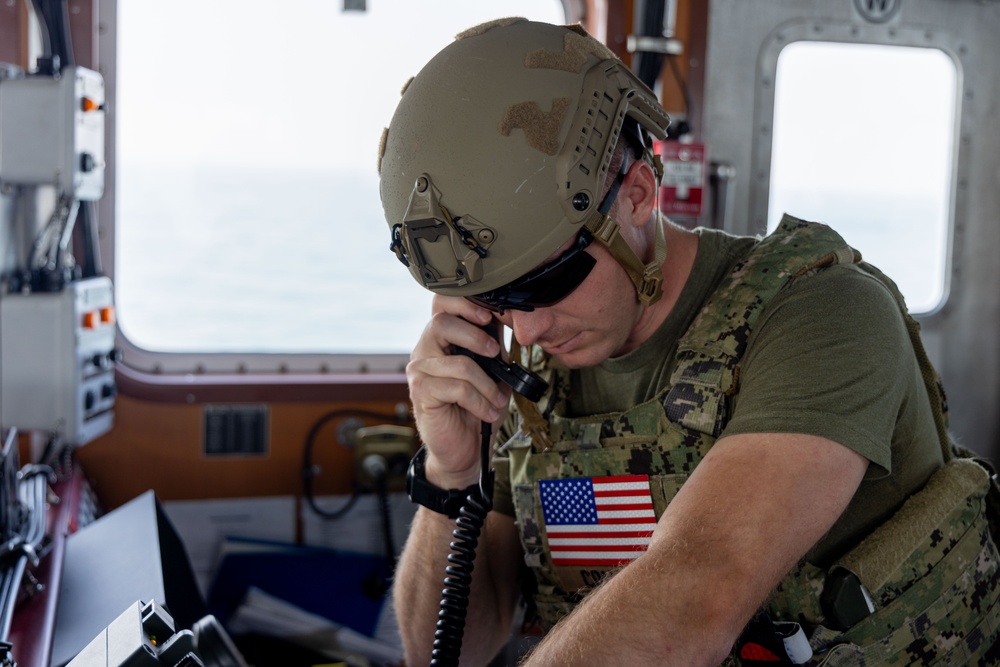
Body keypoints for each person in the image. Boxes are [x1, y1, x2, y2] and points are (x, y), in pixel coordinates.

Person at [377, 17, 1000, 667]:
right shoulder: (527, 370)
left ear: (639, 194)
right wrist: (449, 472)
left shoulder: (825, 312)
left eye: (550, 281)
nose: (528, 329)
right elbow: (446, 650)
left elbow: (698, 591)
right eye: (497, 301)